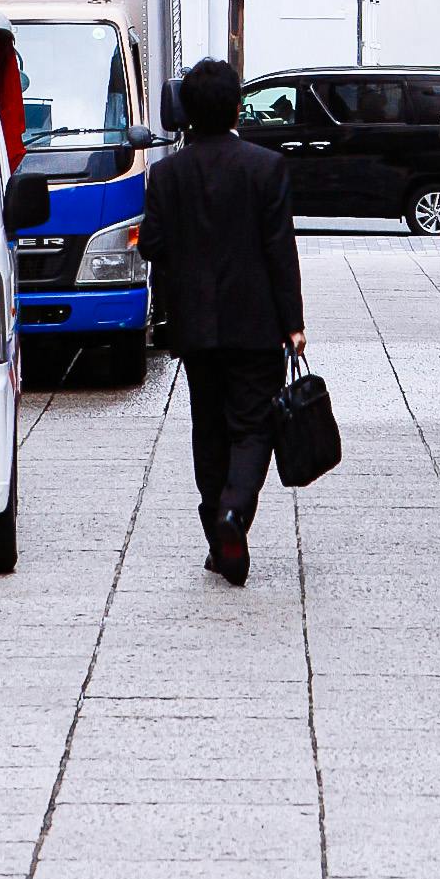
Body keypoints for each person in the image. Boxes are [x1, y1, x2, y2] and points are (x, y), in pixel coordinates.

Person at [139, 54, 305, 587]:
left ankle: (219, 538)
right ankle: (235, 513)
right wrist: (293, 322)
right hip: (257, 326)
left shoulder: (166, 175)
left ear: (186, 111)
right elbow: (281, 250)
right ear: (238, 106)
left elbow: (154, 247)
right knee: (252, 427)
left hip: (195, 328)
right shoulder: (265, 166)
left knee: (207, 429)